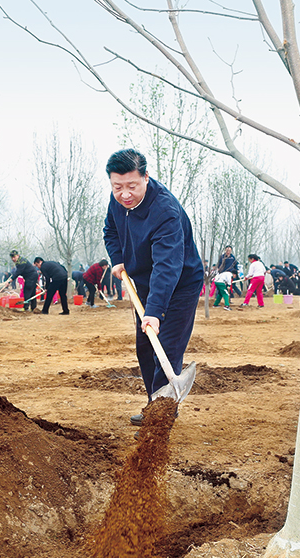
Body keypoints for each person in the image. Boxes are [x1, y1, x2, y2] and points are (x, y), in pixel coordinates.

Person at [103, 148, 203, 425]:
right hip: (145, 283)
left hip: (180, 284)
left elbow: (168, 265)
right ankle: (155, 404)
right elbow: (110, 231)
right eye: (117, 187)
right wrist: (118, 259)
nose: (125, 194)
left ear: (146, 177)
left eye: (132, 186)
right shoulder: (118, 203)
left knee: (167, 347)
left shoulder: (165, 211)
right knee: (146, 348)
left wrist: (155, 312)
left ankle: (159, 420)